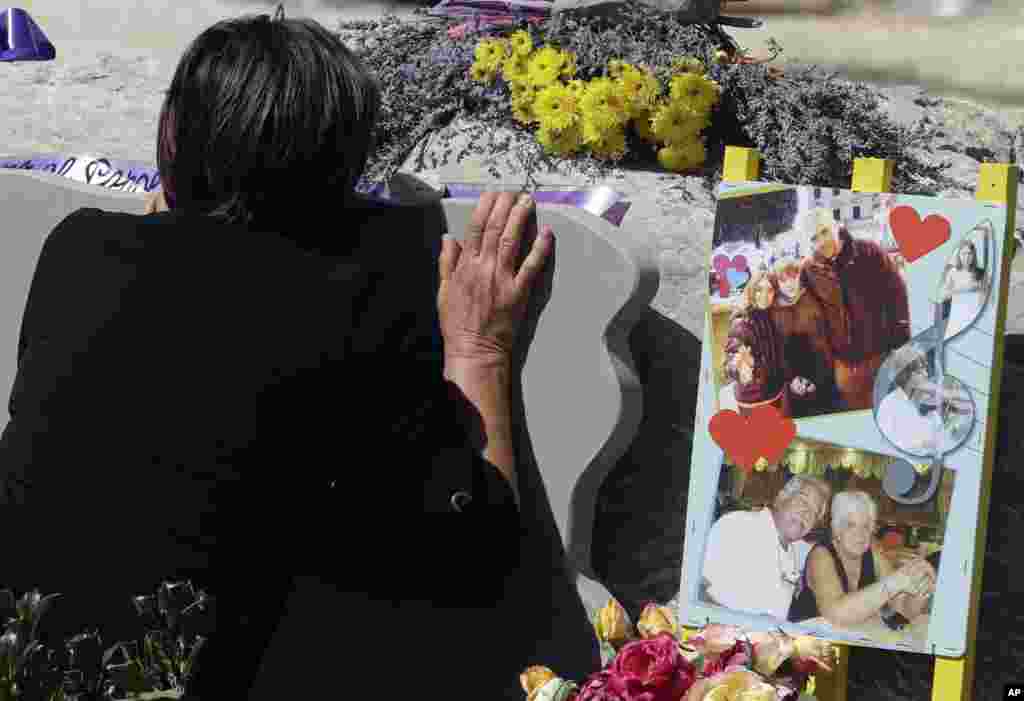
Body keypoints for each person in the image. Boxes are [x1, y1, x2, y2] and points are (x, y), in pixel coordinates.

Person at [0, 9, 600, 700]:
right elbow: (481, 566)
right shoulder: (363, 296)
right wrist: (480, 350)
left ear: (172, 137)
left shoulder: (80, 253)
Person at [801, 210, 911, 411]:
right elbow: (807, 314)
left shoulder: (869, 251)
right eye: (814, 238)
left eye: (825, 232)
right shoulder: (809, 270)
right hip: (845, 366)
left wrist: (901, 345)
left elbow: (897, 295)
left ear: (836, 226)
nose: (822, 242)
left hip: (881, 356)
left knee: (891, 413)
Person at [788, 491, 935, 626]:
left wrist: (922, 591)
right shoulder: (820, 555)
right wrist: (894, 582)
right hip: (805, 640)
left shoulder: (873, 553)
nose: (860, 534)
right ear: (837, 529)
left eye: (865, 526)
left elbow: (902, 607)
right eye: (851, 525)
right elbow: (836, 616)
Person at [701, 476, 831, 620]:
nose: (806, 512)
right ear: (781, 497)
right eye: (802, 501)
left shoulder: (791, 553)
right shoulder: (738, 525)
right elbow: (697, 591)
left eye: (814, 512)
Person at [769, 257, 838, 418]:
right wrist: (791, 379)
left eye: (794, 277)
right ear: (777, 283)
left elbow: (823, 341)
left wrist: (818, 378)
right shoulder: (773, 309)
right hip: (793, 382)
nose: (790, 283)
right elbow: (778, 349)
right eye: (783, 279)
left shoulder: (812, 299)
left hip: (822, 375)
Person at [875, 345, 973, 455]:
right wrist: (925, 444)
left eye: (925, 369)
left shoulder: (930, 412)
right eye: (920, 371)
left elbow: (969, 408)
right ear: (908, 375)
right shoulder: (888, 407)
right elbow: (889, 449)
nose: (926, 374)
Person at [722, 271, 788, 417]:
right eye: (759, 289)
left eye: (769, 290)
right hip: (753, 398)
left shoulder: (772, 315)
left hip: (774, 392)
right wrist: (741, 369)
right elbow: (731, 359)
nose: (764, 295)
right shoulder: (741, 323)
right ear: (751, 291)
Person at [940, 238, 990, 339]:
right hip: (954, 314)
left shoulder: (981, 273)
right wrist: (962, 289)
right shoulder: (953, 272)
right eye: (963, 254)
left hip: (973, 315)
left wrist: (979, 290)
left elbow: (988, 298)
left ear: (973, 255)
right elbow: (943, 296)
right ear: (959, 255)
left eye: (969, 253)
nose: (966, 257)